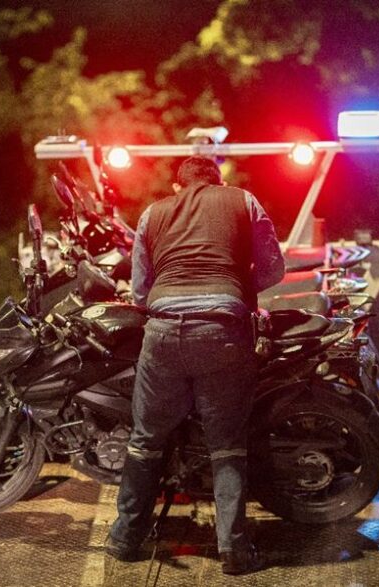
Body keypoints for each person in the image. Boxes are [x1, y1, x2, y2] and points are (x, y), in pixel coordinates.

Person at [106, 156, 285, 575]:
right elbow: (274, 268)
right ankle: (234, 551)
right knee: (227, 446)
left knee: (145, 441)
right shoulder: (242, 200)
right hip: (223, 333)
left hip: (163, 333)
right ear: (217, 181)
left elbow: (139, 290)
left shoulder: (153, 213)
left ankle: (124, 539)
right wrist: (236, 285)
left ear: (177, 186)